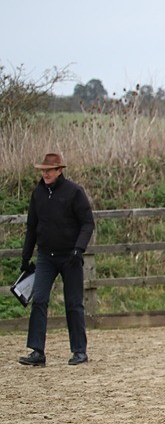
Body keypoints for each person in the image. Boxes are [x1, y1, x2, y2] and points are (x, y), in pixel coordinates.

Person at [17, 153, 95, 366]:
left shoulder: (74, 192)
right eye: (43, 170)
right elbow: (31, 227)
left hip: (70, 256)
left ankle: (79, 351)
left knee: (73, 303)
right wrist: (26, 256)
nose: (45, 174)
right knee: (39, 299)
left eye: (49, 170)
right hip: (46, 257)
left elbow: (87, 223)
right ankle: (37, 351)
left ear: (59, 170)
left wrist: (79, 249)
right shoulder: (38, 194)